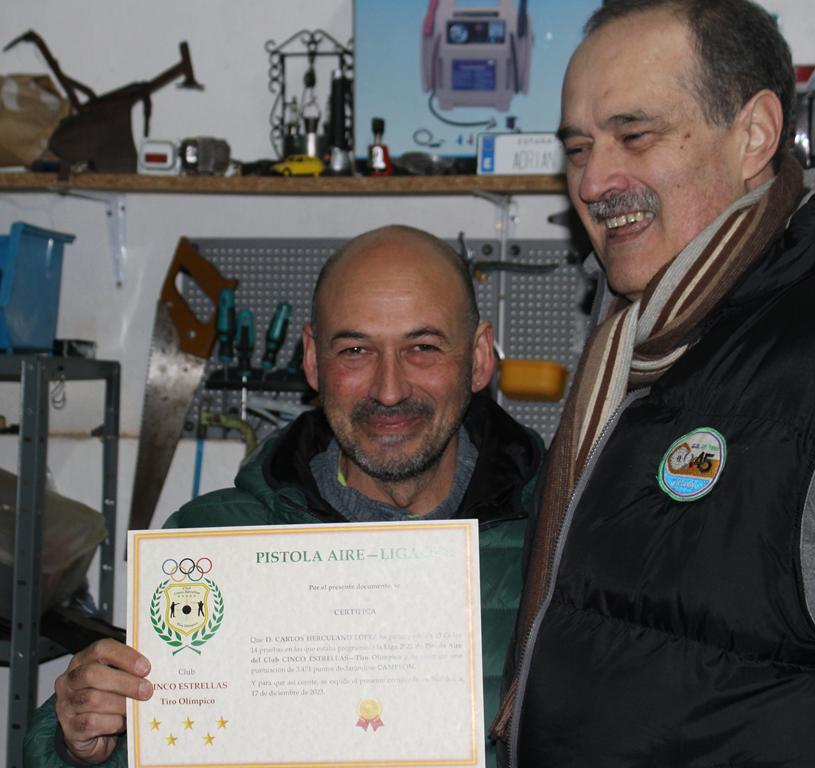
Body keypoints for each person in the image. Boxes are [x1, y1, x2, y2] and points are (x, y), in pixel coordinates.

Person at [492, 1, 815, 767]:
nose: (594, 180)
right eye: (578, 148)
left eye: (635, 136)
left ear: (754, 135)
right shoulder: (643, 339)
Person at [25, 225, 543, 768]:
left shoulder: (560, 545)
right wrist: (79, 746)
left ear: (478, 358)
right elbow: (156, 738)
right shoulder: (210, 545)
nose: (389, 390)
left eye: (423, 348)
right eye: (355, 350)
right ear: (313, 360)